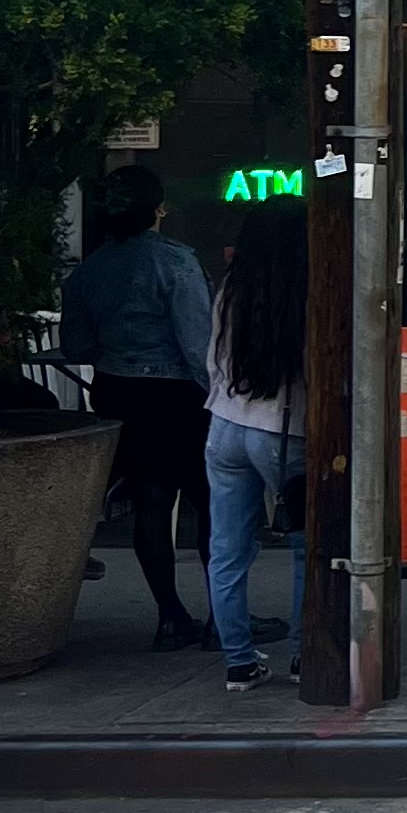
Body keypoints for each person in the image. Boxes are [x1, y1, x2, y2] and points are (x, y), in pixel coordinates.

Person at [58, 174, 215, 650]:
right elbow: (196, 344)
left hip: (118, 390)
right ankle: (223, 615)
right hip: (176, 394)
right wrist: (217, 398)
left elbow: (75, 346)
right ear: (158, 210)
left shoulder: (89, 271)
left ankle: (170, 614)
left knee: (150, 503)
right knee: (210, 504)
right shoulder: (177, 263)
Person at [204, 206, 307, 693]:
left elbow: (212, 360)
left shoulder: (232, 288)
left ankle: (239, 662)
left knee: (227, 549)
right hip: (282, 430)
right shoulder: (304, 293)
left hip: (224, 423)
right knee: (308, 548)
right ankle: (307, 656)